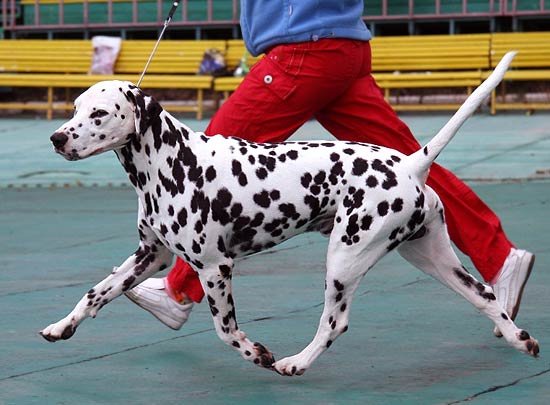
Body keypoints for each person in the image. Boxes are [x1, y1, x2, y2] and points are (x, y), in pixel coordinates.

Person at [125, 0, 534, 334]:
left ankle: (178, 290)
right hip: (339, 45)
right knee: (410, 166)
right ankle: (499, 258)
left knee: (206, 165)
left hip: (304, 49)